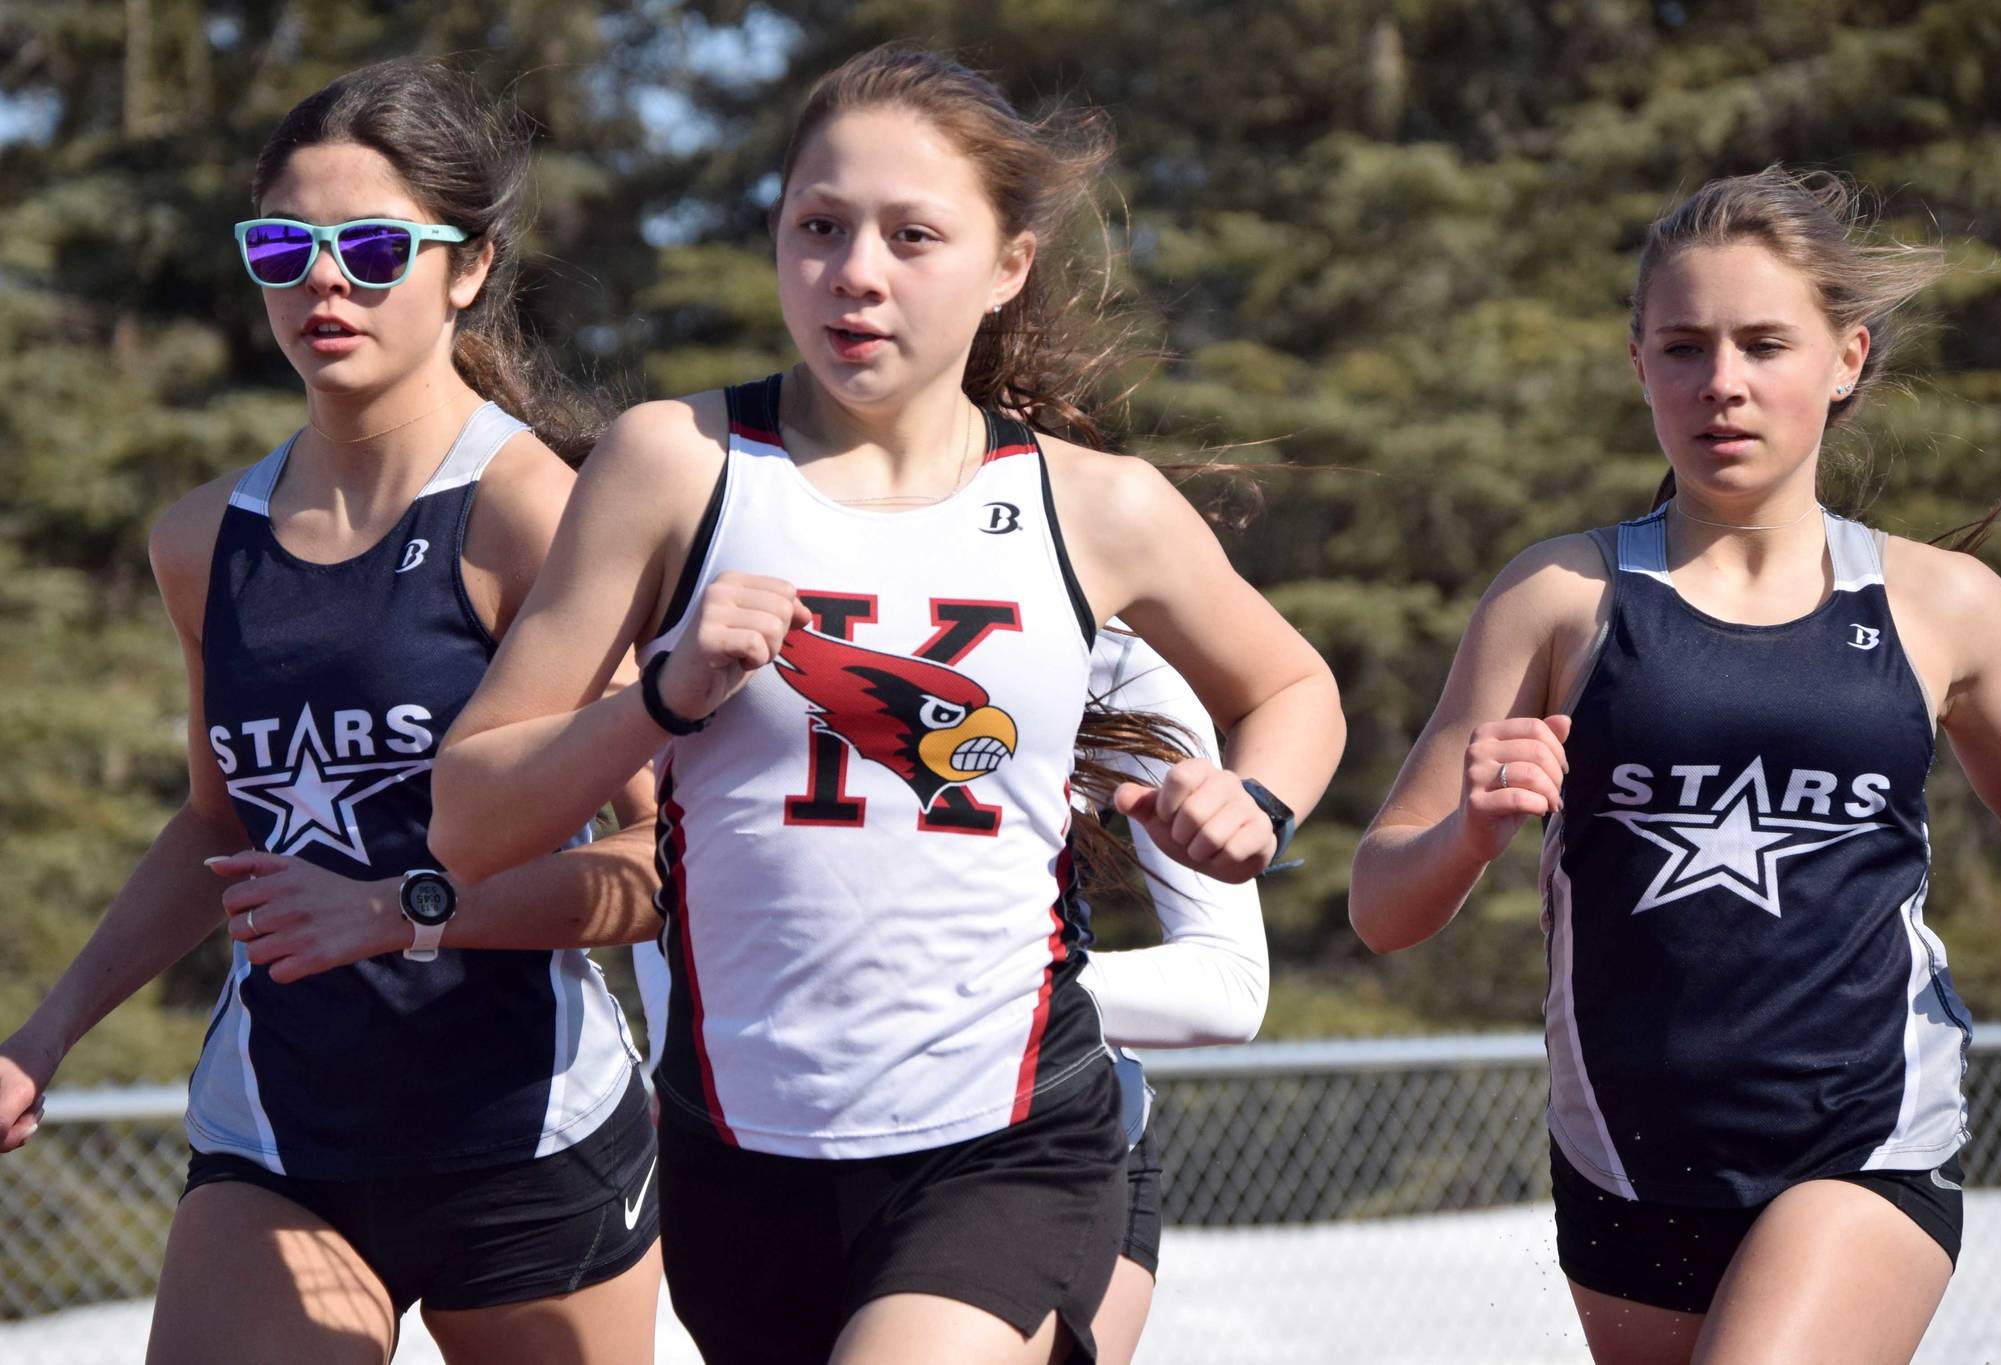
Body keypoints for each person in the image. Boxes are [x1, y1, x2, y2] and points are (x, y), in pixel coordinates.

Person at [430, 45, 1342, 1365]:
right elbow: (467, 816)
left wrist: (1254, 799)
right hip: (742, 1158)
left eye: (914, 236)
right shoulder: (671, 467)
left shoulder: (1100, 504)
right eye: (819, 227)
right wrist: (664, 702)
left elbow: (1294, 685)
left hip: (1010, 1138)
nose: (856, 272)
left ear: (1008, 265)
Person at [0, 61, 666, 1365]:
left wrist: (408, 907)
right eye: (282, 246)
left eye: (371, 248)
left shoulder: (539, 515)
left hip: (526, 1149)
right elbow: (211, 825)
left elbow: (658, 864)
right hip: (283, 1139)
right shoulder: (204, 541)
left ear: (466, 269)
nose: (323, 281)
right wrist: (44, 1034)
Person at [1348, 167, 2001, 1364]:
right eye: (1682, 347)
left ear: (1845, 358)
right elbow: (1380, 909)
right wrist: (1469, 834)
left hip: (1864, 1143)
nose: (1720, 382)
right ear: (1637, 368)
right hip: (1625, 1159)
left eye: (1763, 344)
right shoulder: (1558, 597)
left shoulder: (1942, 603)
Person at [627, 621, 1269, 1365]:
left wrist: (945, 985)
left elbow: (1229, 982)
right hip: (757, 1157)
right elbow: (662, 885)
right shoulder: (700, 602)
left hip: (1020, 1145)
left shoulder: (1103, 633)